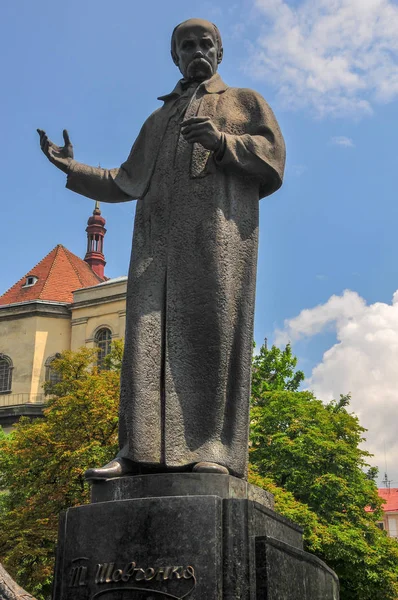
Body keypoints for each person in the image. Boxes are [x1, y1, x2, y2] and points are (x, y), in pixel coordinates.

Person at [38, 18, 285, 480]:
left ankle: (215, 449)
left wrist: (223, 141)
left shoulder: (243, 102)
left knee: (212, 337)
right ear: (174, 56)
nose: (196, 51)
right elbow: (124, 180)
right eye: (186, 45)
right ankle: (136, 452)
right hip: (155, 249)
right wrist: (70, 167)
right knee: (144, 344)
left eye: (204, 43)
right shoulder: (159, 119)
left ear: (220, 51)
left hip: (216, 245)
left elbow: (272, 158)